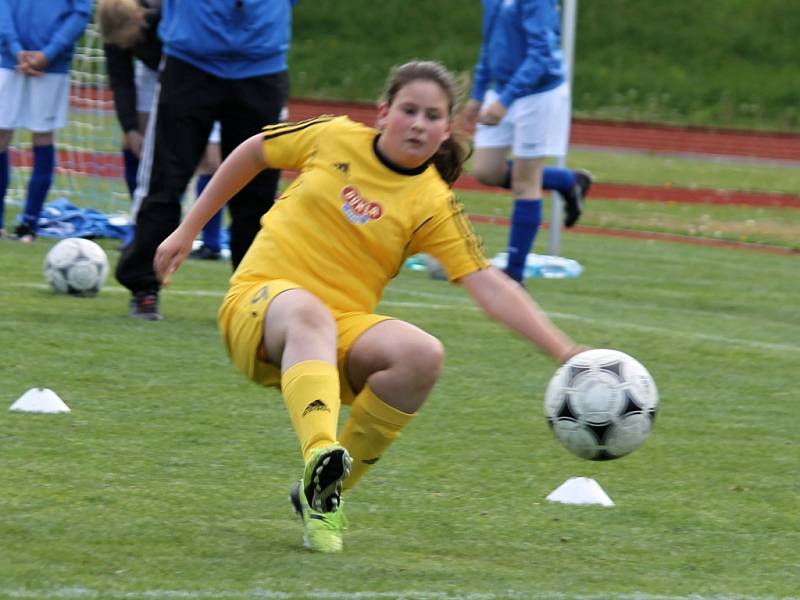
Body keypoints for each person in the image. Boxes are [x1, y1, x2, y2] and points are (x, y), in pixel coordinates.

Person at [154, 60, 586, 553]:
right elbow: (254, 151)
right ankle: (321, 450)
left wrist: (566, 351)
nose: (419, 123)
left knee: (423, 354)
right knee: (308, 310)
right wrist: (188, 229)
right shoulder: (334, 137)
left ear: (447, 130)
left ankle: (324, 494)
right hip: (259, 303)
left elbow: (488, 283)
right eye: (409, 110)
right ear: (383, 112)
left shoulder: (432, 203)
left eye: (432, 116)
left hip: (332, 333)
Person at [115, 0, 295, 320]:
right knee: (165, 179)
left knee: (257, 193)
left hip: (262, 66)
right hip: (190, 62)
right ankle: (144, 286)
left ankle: (255, 293)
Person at [461, 0, 592, 284]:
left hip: (537, 93)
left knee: (525, 182)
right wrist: (479, 93)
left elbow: (541, 54)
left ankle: (514, 274)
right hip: (503, 89)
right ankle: (567, 181)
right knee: (486, 171)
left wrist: (506, 101)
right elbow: (489, 44)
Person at [96, 0, 225, 258]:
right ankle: (141, 229)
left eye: (128, 39)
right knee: (136, 145)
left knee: (211, 160)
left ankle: (210, 242)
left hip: (200, 68)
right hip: (153, 71)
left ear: (138, 20)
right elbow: (121, 81)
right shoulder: (115, 33)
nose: (126, 45)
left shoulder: (170, 16)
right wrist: (130, 128)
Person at [0, 0, 92, 241]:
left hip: (52, 64)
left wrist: (49, 53)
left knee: (42, 135)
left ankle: (29, 225)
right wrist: (14, 47)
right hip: (8, 59)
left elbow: (81, 12)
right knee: (1, 133)